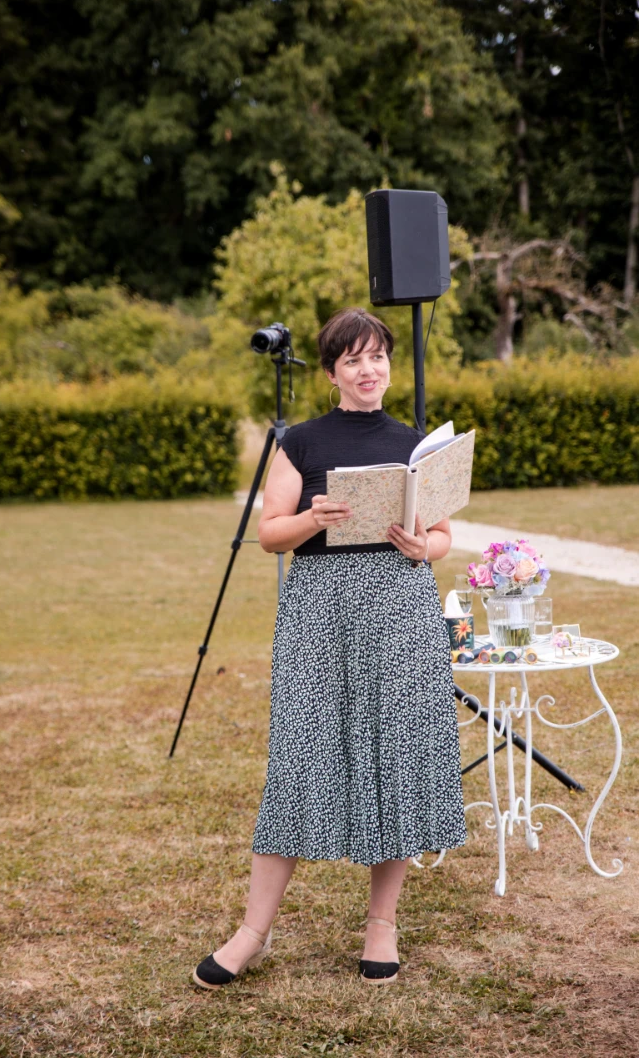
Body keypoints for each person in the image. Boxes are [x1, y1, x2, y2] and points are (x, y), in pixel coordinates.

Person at [192, 307, 466, 990]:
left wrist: (422, 545)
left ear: (389, 366)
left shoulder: (414, 444)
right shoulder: (303, 442)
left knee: (397, 755)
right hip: (319, 614)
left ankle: (381, 925)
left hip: (400, 612)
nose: (368, 369)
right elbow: (269, 534)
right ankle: (252, 933)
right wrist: (311, 518)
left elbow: (441, 537)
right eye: (353, 360)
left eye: (377, 357)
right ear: (330, 372)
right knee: (299, 755)